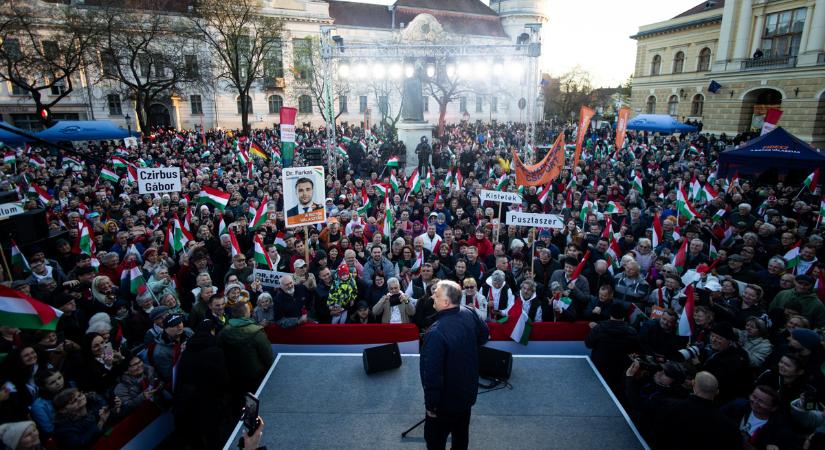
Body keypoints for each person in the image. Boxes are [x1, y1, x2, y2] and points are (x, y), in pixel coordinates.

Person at [420, 280, 489, 450]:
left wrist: (431, 406)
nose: (432, 297)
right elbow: (484, 336)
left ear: (446, 302)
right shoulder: (470, 313)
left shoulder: (435, 333)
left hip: (443, 404)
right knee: (461, 440)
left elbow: (431, 374)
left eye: (436, 295)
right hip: (466, 397)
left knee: (435, 442)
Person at [217, 302, 275, 395]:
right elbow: (268, 357)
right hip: (254, 376)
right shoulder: (257, 332)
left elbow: (219, 351)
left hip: (232, 375)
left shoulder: (223, 332)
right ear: (246, 313)